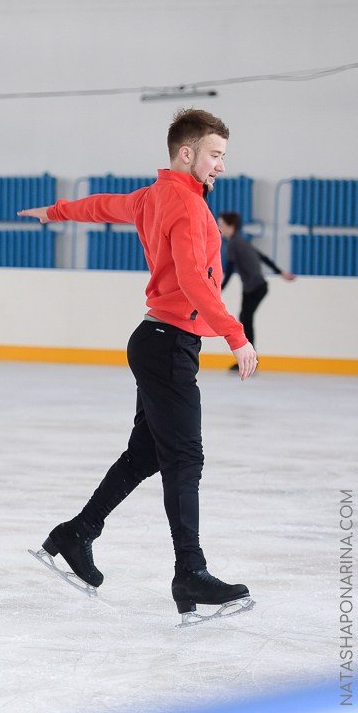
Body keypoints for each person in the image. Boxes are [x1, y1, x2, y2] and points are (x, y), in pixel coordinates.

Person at [18, 109, 258, 622]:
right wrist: (237, 336)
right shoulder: (188, 207)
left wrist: (57, 212)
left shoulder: (156, 196)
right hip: (168, 344)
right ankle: (189, 572)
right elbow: (196, 282)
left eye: (223, 157)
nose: (220, 166)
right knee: (184, 458)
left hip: (158, 341)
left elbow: (104, 205)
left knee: (149, 453)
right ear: (186, 152)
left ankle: (75, 535)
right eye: (214, 155)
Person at [217, 211, 295, 370]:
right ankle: (250, 358)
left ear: (231, 226)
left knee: (245, 319)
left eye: (222, 225)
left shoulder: (233, 244)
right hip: (257, 287)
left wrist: (218, 290)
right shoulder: (242, 242)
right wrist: (280, 272)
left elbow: (230, 270)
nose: (220, 228)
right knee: (245, 319)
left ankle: (249, 359)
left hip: (254, 288)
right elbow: (263, 257)